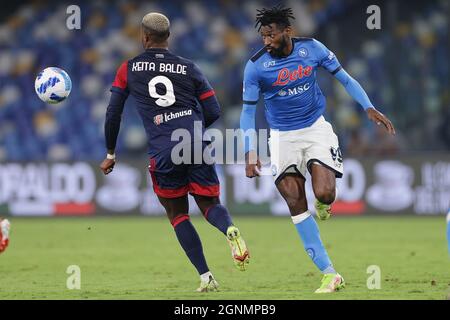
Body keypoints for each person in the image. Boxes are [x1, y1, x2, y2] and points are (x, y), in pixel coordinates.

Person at [240, 5, 395, 293]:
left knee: (324, 192)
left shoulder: (311, 49)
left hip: (315, 130)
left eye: (271, 35)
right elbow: (247, 113)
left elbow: (345, 78)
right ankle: (329, 273)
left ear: (287, 31)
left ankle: (324, 204)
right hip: (282, 137)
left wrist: (368, 107)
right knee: (295, 202)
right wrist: (249, 150)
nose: (266, 41)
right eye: (263, 36)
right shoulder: (256, 66)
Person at [100, 12, 249, 292]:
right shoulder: (189, 66)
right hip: (195, 142)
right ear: (168, 37)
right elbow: (214, 111)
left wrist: (110, 152)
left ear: (144, 37)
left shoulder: (128, 69)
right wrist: (191, 130)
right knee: (210, 205)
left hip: (164, 149)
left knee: (178, 214)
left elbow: (113, 114)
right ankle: (229, 229)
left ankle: (206, 276)